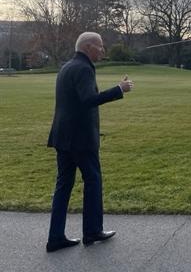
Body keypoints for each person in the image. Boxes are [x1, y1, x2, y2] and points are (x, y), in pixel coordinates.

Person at [46, 32, 134, 253]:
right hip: (80, 139)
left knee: (63, 185)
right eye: (100, 47)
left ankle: (55, 237)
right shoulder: (84, 68)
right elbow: (88, 100)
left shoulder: (67, 67)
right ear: (87, 47)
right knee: (93, 181)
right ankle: (93, 231)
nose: (103, 51)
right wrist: (118, 90)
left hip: (62, 137)